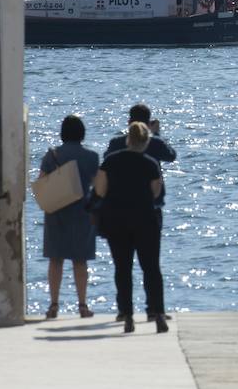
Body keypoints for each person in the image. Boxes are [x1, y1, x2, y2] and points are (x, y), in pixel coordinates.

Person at [94, 121, 166, 334]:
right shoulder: (151, 164)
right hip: (145, 220)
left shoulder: (110, 161)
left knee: (123, 269)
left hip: (117, 220)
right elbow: (156, 193)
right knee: (151, 268)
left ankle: (127, 316)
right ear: (145, 142)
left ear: (128, 139)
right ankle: (159, 314)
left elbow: (99, 190)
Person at [39, 115, 99, 320]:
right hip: (83, 213)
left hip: (56, 211)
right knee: (80, 261)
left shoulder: (52, 155)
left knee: (56, 260)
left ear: (62, 133)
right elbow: (98, 186)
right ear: (82, 133)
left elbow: (42, 182)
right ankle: (82, 305)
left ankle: (53, 305)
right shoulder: (91, 157)